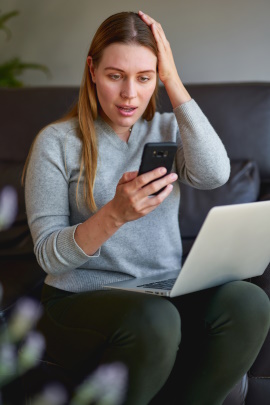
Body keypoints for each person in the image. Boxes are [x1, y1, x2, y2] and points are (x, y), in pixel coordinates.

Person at [24, 11, 270, 405]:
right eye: (115, 75)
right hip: (79, 300)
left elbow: (215, 175)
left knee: (249, 301)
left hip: (162, 293)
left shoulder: (168, 130)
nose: (130, 95)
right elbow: (49, 257)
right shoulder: (56, 142)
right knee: (155, 319)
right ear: (92, 70)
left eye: (145, 77)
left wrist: (173, 80)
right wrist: (114, 214)